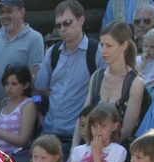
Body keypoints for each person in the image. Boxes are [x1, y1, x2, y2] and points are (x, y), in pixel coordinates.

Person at [35, 0, 103, 152]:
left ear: (81, 20)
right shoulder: (53, 52)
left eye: (67, 23)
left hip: (79, 136)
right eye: (58, 25)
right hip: (50, 132)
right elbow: (40, 88)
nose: (62, 29)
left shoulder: (96, 51)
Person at [73, 21, 148, 150]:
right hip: (90, 148)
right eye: (102, 45)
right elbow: (82, 119)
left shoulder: (135, 82)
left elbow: (127, 129)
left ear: (124, 45)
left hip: (118, 151)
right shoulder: (97, 76)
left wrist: (101, 151)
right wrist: (74, 148)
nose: (103, 50)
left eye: (109, 45)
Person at [0, 0, 44, 129]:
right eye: (1, 12)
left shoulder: (34, 38)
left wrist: (38, 109)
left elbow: (35, 79)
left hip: (14, 112)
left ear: (22, 12)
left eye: (8, 11)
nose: (3, 16)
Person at [0, 64, 36, 158]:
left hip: (16, 159)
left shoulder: (28, 105)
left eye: (14, 84)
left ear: (25, 85)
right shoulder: (5, 102)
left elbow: (22, 139)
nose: (9, 88)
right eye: (7, 84)